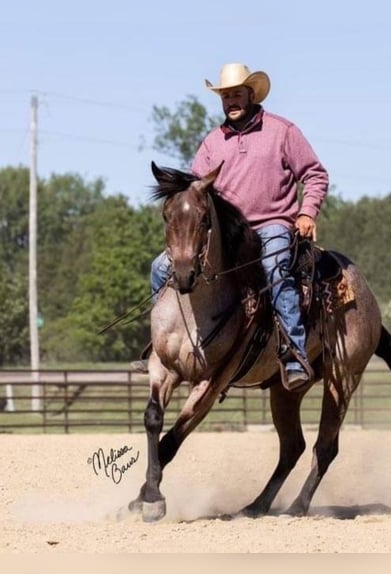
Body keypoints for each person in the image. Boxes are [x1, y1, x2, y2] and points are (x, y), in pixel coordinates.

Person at [137, 62, 329, 391]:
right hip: (226, 233)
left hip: (271, 225)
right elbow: (196, 189)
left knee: (275, 267)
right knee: (160, 267)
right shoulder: (213, 141)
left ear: (251, 94)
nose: (231, 102)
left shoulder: (282, 131)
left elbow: (314, 174)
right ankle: (163, 348)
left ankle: (294, 353)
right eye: (225, 96)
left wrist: (307, 212)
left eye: (237, 94)